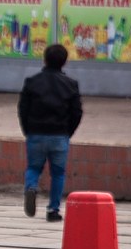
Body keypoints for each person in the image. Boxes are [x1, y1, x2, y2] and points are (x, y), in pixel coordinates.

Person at [18, 44, 83, 222]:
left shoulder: (32, 82)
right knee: (58, 173)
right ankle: (53, 210)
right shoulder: (70, 85)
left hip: (36, 133)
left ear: (44, 59)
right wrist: (67, 132)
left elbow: (23, 109)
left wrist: (27, 130)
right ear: (65, 62)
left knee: (33, 167)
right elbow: (77, 112)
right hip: (59, 135)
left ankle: (31, 187)